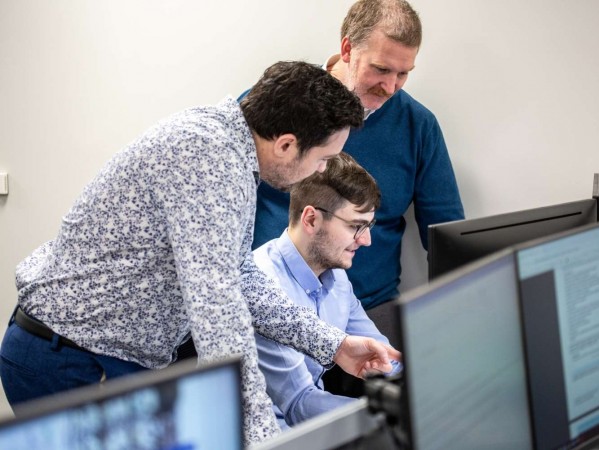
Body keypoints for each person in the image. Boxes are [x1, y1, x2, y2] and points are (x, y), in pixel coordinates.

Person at [0, 61, 401, 446]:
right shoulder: (207, 160)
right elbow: (219, 316)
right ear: (286, 144)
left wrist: (333, 344)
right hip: (67, 356)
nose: (320, 173)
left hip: (111, 354)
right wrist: (262, 438)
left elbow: (239, 277)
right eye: (323, 160)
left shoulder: (233, 153)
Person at [250, 0, 464, 333]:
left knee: (402, 378)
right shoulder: (279, 103)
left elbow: (447, 235)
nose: (391, 86)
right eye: (380, 69)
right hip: (273, 302)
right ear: (348, 49)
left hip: (369, 307)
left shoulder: (418, 126)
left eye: (403, 73)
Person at [253, 152, 402, 429]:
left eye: (368, 226)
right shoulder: (265, 287)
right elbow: (298, 403)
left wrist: (420, 387)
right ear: (311, 219)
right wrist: (395, 413)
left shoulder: (336, 277)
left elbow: (381, 356)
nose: (367, 240)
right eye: (356, 226)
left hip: (316, 426)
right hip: (273, 435)